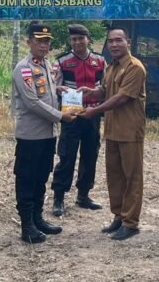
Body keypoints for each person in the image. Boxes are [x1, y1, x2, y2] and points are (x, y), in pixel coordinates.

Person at [12, 22, 77, 243]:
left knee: (41, 178)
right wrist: (61, 116)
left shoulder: (47, 65)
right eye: (39, 40)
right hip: (30, 135)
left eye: (47, 41)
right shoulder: (24, 68)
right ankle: (26, 225)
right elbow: (32, 102)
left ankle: (38, 218)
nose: (43, 45)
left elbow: (45, 91)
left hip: (48, 134)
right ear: (29, 41)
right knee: (27, 179)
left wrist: (57, 90)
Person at [81, 27, 147, 241]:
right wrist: (91, 92)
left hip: (129, 131)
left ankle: (131, 223)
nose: (114, 45)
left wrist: (95, 111)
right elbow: (105, 90)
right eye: (110, 41)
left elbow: (122, 98)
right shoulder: (111, 67)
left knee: (132, 177)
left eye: (119, 40)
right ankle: (119, 216)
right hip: (112, 130)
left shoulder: (135, 67)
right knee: (115, 177)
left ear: (128, 41)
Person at [50, 23, 106, 216]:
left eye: (80, 38)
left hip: (92, 114)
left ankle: (83, 195)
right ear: (70, 41)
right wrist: (58, 89)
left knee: (90, 155)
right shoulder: (62, 61)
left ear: (88, 39)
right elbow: (53, 85)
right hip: (70, 116)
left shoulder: (100, 61)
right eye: (73, 39)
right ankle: (59, 198)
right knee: (67, 156)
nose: (77, 42)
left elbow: (106, 87)